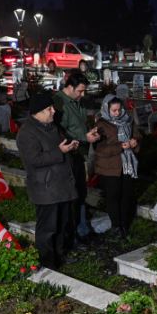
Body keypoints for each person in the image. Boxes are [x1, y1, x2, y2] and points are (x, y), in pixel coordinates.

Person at [17, 92, 79, 269]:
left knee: (61, 225)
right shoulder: (27, 133)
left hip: (61, 186)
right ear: (37, 112)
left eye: (52, 107)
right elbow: (34, 160)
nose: (53, 111)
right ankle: (47, 263)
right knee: (47, 229)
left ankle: (59, 256)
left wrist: (71, 146)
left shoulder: (51, 125)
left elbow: (60, 146)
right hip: (46, 189)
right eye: (48, 109)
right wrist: (61, 151)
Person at [53, 70, 100, 241]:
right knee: (71, 195)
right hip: (67, 156)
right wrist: (82, 137)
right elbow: (57, 132)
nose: (83, 94)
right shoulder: (59, 103)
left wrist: (89, 131)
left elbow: (77, 125)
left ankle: (81, 229)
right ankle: (70, 233)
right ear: (70, 87)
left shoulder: (76, 101)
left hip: (79, 153)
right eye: (80, 90)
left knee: (80, 192)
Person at [94, 95, 140, 237]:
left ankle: (124, 224)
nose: (117, 113)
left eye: (119, 110)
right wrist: (120, 146)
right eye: (113, 110)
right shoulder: (101, 125)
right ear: (106, 109)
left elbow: (138, 136)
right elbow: (99, 149)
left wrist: (135, 142)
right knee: (113, 196)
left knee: (126, 195)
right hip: (109, 168)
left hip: (127, 166)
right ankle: (116, 226)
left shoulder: (128, 120)